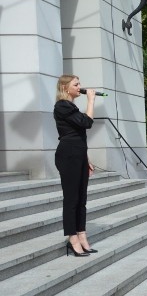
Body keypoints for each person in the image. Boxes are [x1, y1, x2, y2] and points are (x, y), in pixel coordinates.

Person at [53, 75, 96, 257]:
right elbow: (87, 123)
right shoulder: (62, 106)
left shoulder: (72, 107)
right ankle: (72, 237)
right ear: (65, 88)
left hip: (78, 155)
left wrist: (86, 159)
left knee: (82, 199)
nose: (80, 87)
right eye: (76, 84)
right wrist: (91, 100)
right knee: (71, 199)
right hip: (68, 155)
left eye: (80, 84)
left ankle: (82, 234)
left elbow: (80, 135)